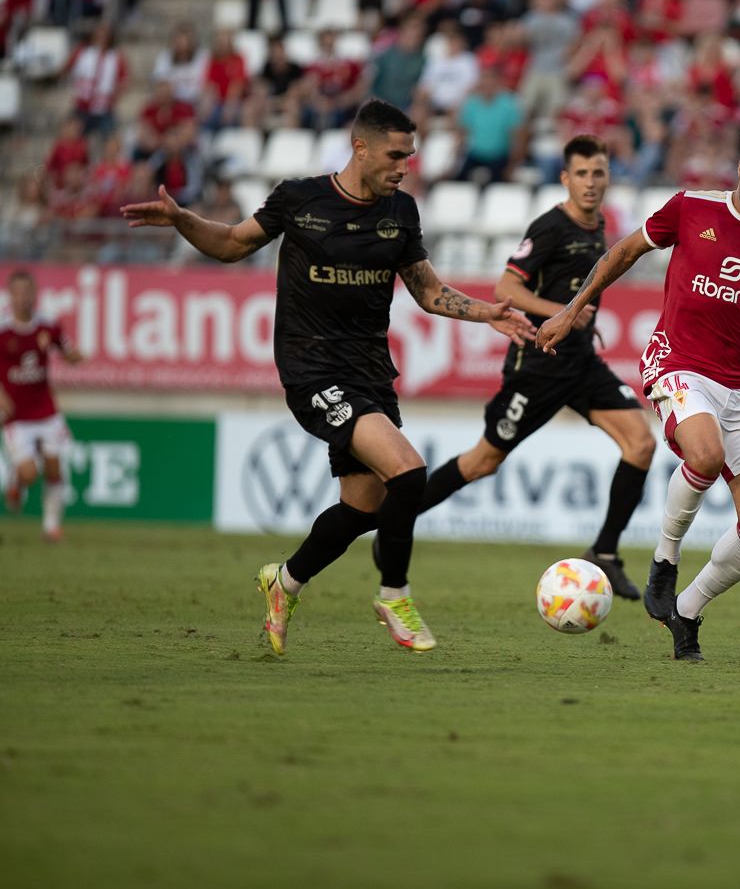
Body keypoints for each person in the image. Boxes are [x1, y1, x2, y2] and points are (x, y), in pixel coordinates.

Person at [121, 99, 534, 656]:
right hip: (311, 366)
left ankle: (284, 581)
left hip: (370, 371)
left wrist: (490, 313)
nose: (404, 166)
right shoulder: (300, 198)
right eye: (394, 154)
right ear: (359, 147)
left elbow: (428, 290)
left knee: (362, 507)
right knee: (408, 474)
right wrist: (182, 221)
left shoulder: (401, 212)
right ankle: (395, 594)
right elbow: (231, 244)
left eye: (410, 156)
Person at [537, 118, 740, 662]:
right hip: (677, 361)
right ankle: (664, 561)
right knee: (704, 452)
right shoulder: (691, 207)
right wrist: (571, 308)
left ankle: (687, 610)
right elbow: (622, 253)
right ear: (739, 165)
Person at [415, 135, 655, 598]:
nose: (590, 182)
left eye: (598, 173)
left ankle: (604, 553)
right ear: (565, 178)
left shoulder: (599, 225)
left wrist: (581, 324)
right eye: (581, 173)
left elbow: (577, 290)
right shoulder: (550, 226)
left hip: (580, 362)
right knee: (483, 462)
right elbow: (507, 285)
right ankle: (396, 520)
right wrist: (561, 312)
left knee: (640, 443)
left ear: (608, 177)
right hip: (537, 369)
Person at [1, 270, 83, 541]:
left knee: (54, 467)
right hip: (16, 415)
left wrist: (75, 356)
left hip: (45, 409)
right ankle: (16, 482)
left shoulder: (48, 326)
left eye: (28, 292)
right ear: (10, 295)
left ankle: (51, 527)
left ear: (35, 295)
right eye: (18, 293)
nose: (23, 298)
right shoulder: (3, 330)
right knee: (29, 473)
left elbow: (68, 350)